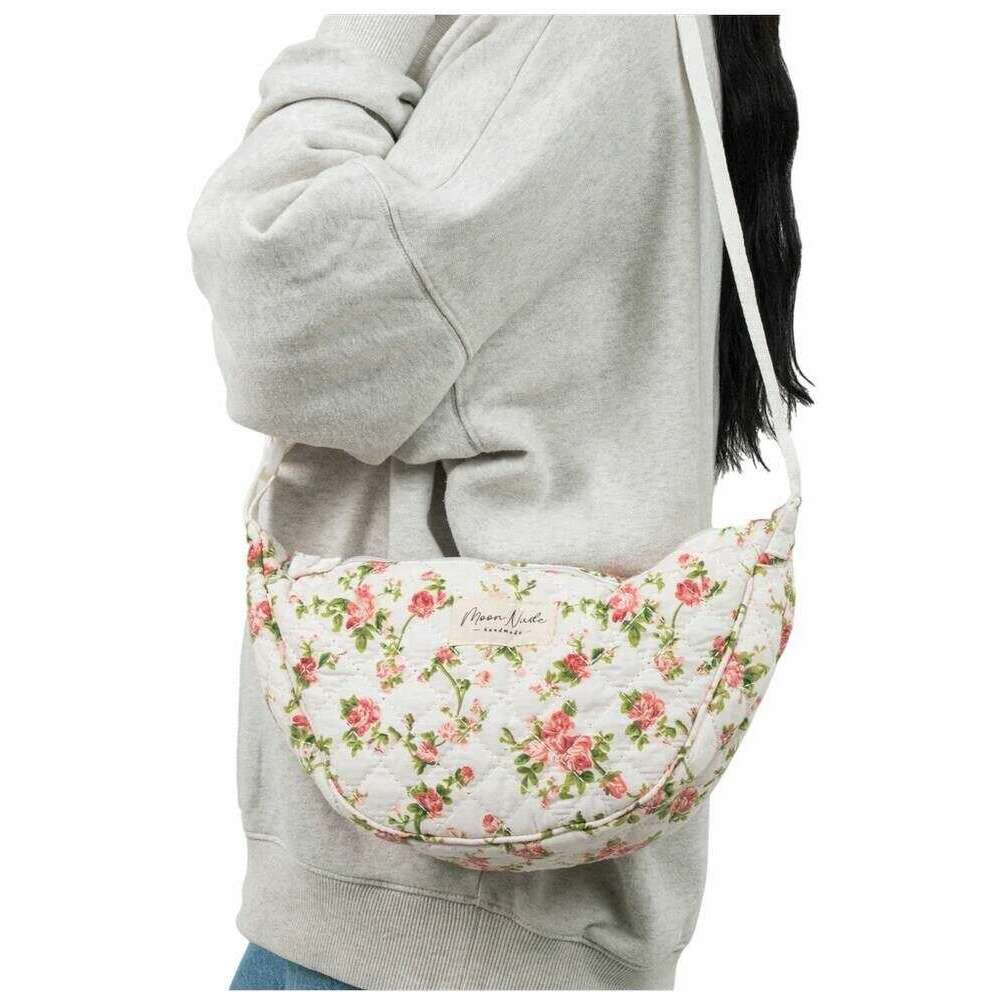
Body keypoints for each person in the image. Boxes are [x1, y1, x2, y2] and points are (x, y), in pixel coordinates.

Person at [188, 13, 809, 992]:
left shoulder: (568, 27)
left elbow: (281, 308)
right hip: (468, 918)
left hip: (423, 924)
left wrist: (365, 32)